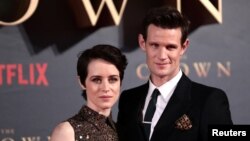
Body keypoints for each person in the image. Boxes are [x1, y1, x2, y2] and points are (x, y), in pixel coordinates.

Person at [116, 6, 233, 141]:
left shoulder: (210, 100)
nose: (162, 56)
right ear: (142, 43)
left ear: (184, 47)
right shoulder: (128, 100)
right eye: (154, 45)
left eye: (170, 47)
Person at [50, 44, 127, 141]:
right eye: (96, 80)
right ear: (82, 82)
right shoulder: (67, 132)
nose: (106, 88)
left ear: (120, 82)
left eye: (113, 79)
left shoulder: (122, 132)